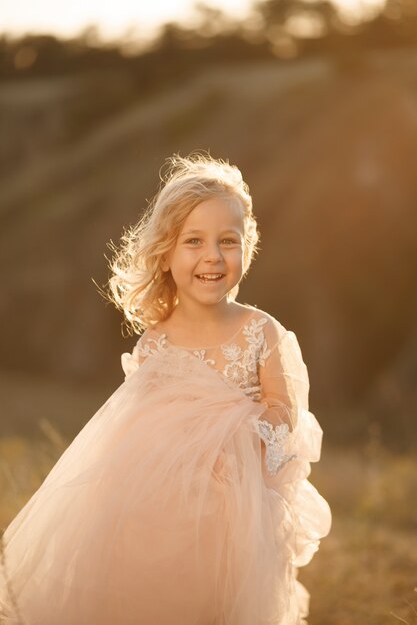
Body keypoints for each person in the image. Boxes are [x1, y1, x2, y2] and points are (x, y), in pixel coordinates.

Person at [0, 152, 332, 625]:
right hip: (162, 520)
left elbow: (284, 419)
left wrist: (237, 437)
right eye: (193, 241)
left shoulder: (263, 334)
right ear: (167, 253)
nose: (212, 256)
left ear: (247, 247)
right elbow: (136, 432)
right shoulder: (156, 342)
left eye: (228, 241)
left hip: (235, 517)